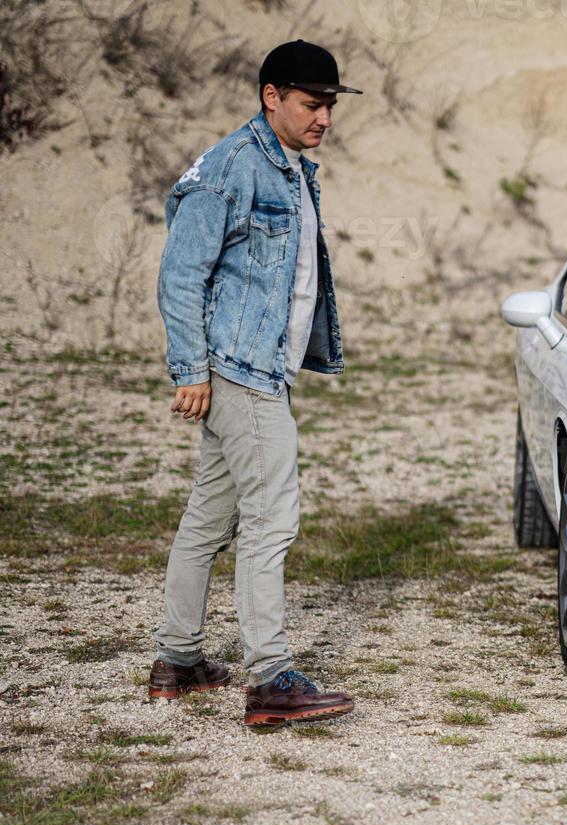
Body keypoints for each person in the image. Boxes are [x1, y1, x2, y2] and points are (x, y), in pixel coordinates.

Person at [149, 40, 361, 727]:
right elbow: (181, 275)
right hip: (240, 374)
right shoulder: (232, 168)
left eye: (329, 104)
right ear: (271, 96)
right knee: (273, 518)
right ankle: (270, 677)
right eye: (311, 103)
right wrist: (191, 371)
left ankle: (177, 661)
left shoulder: (292, 168)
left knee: (210, 517)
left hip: (260, 368)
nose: (324, 116)